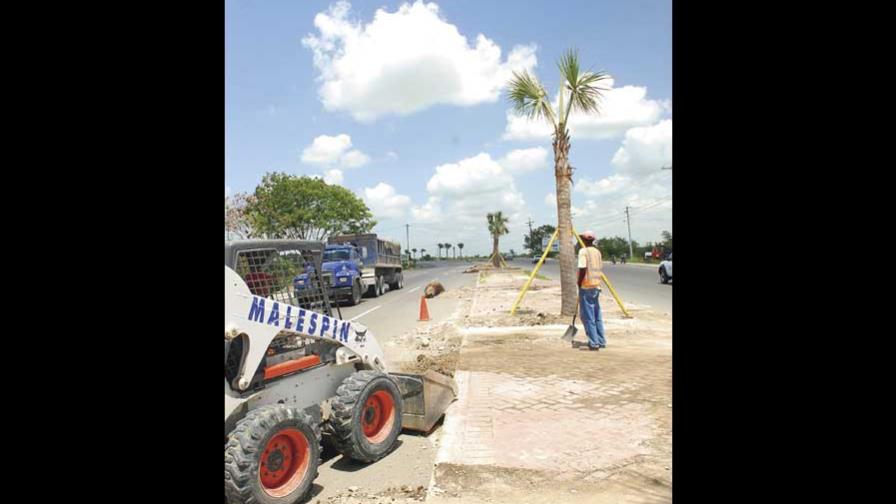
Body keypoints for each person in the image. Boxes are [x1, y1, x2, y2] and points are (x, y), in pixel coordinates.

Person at [577, 231, 606, 351]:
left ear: (584, 240)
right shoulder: (597, 252)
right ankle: (601, 340)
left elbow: (583, 269)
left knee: (587, 316)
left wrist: (579, 282)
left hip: (586, 286)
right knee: (596, 315)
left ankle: (594, 343)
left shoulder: (583, 252)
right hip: (596, 286)